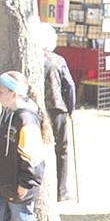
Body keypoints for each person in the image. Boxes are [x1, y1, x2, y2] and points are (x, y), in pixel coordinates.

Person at [0, 70, 49, 221]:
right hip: (4, 183)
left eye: (1, 91)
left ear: (13, 93)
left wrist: (24, 184)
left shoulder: (26, 118)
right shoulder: (6, 114)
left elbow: (33, 157)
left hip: (20, 186)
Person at [38, 24, 76, 201]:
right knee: (61, 149)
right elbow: (69, 87)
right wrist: (71, 108)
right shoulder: (58, 60)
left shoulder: (34, 58)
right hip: (57, 108)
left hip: (37, 109)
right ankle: (61, 190)